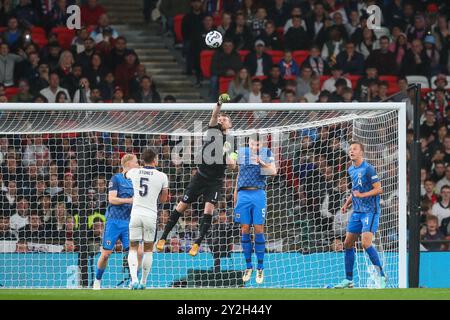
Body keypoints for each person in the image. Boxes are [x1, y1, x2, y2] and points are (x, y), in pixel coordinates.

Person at [156, 94, 236, 256]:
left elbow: (233, 166)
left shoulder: (233, 142)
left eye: (225, 118)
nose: (222, 119)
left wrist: (225, 153)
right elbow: (214, 114)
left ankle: (197, 243)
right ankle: (163, 237)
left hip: (215, 181)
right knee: (181, 206)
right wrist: (219, 102)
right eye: (222, 118)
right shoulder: (213, 130)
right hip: (200, 176)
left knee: (208, 210)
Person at [334, 141, 386, 288]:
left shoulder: (368, 169)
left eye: (355, 149)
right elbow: (355, 190)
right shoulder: (351, 169)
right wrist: (346, 204)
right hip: (357, 212)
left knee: (365, 243)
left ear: (361, 152)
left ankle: (381, 275)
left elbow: (379, 189)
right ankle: (349, 280)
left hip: (370, 211)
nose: (351, 151)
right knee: (347, 243)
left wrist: (363, 195)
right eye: (350, 149)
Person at [234, 136, 277, 284]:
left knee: (258, 229)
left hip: (258, 193)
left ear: (261, 144)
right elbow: (237, 171)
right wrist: (235, 195)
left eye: (257, 144)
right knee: (245, 228)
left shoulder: (267, 153)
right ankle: (248, 266)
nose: (255, 146)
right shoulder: (242, 152)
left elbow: (273, 172)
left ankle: (260, 267)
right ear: (249, 144)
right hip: (243, 194)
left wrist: (261, 163)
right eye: (252, 144)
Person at [93, 153, 139, 290]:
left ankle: (134, 281)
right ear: (129, 164)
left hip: (129, 222)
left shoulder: (136, 180)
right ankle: (97, 280)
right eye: (136, 162)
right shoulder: (116, 178)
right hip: (114, 221)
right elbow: (112, 199)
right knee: (106, 254)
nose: (137, 165)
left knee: (132, 253)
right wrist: (129, 201)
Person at [125, 149, 169, 289]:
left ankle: (134, 280)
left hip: (136, 214)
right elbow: (164, 198)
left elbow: (125, 173)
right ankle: (143, 282)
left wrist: (136, 167)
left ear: (142, 160)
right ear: (155, 160)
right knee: (148, 249)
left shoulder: (134, 172)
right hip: (150, 214)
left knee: (133, 247)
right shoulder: (162, 176)